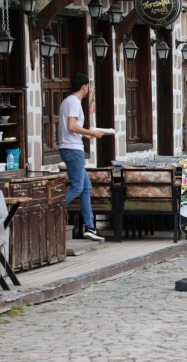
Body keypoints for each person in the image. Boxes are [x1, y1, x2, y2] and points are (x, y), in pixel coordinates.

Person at [59, 72, 107, 241]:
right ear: (84, 86)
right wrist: (91, 133)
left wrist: (85, 135)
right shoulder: (73, 102)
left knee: (86, 188)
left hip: (72, 146)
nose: (88, 89)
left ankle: (90, 227)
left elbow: (71, 128)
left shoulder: (68, 101)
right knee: (78, 186)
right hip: (73, 150)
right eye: (88, 86)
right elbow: (72, 126)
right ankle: (52, 209)